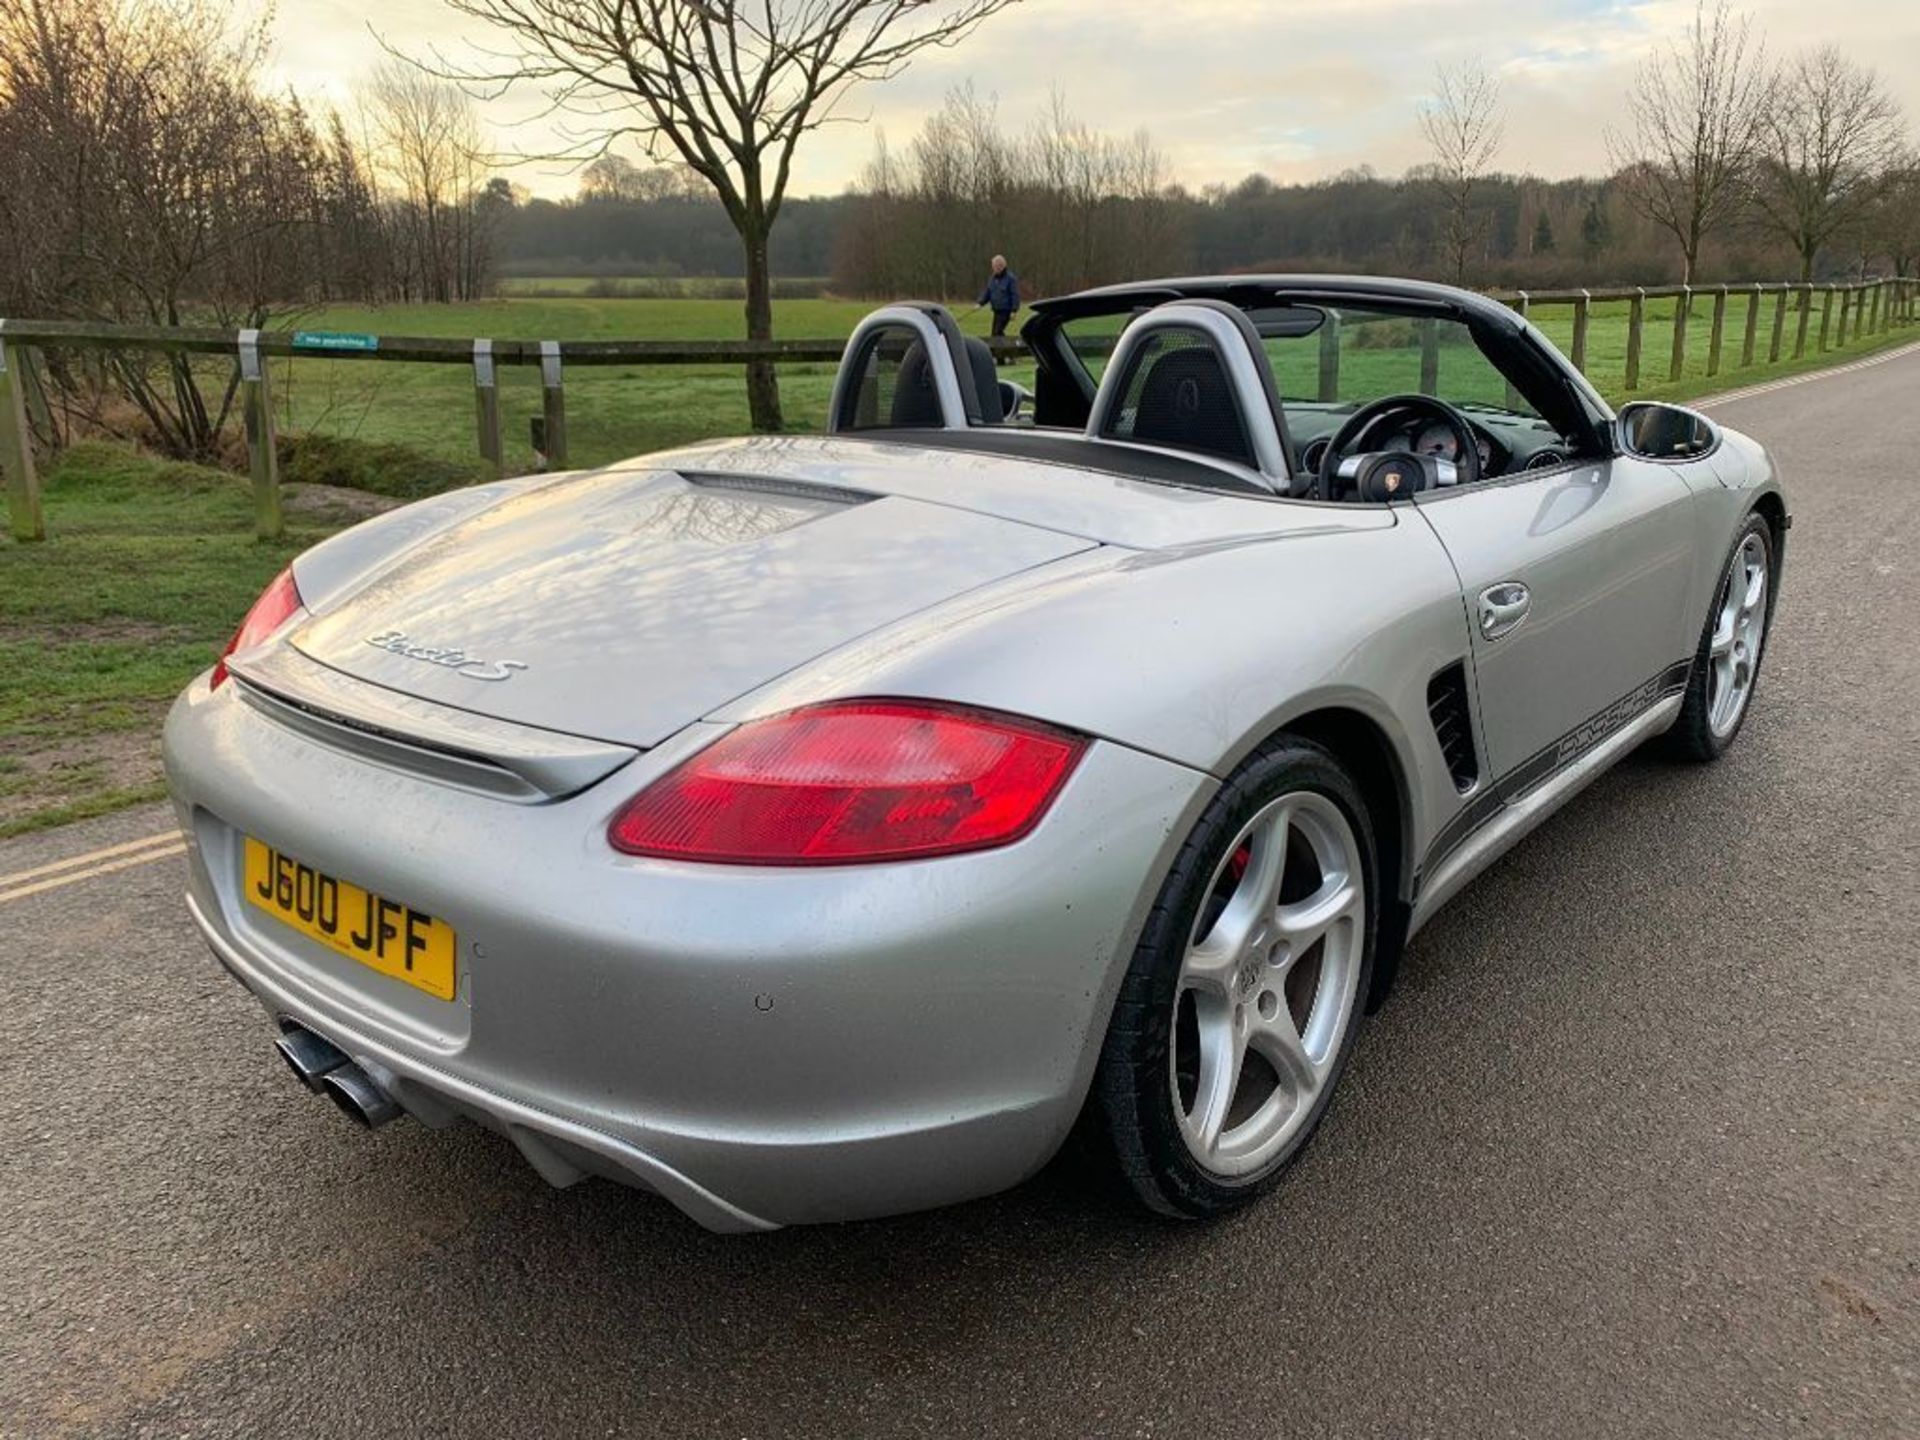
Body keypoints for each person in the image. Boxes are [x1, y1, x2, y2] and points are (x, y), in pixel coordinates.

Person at [979, 255, 1021, 342]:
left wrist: (1014, 310)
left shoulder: (1010, 279)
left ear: (1002, 266)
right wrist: (980, 303)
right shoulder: (992, 279)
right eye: (993, 266)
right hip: (996, 310)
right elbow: (987, 292)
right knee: (995, 334)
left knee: (997, 332)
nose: (994, 269)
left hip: (1006, 311)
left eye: (996, 266)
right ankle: (1003, 351)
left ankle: (1007, 349)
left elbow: (1015, 295)